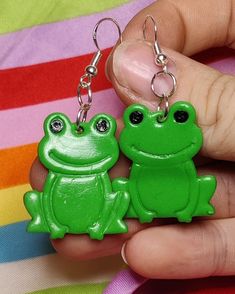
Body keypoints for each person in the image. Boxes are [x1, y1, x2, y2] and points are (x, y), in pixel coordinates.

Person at [30, 0, 235, 279]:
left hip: (172, 193)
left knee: (148, 185)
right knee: (117, 189)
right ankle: (83, 218)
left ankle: (159, 210)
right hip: (87, 204)